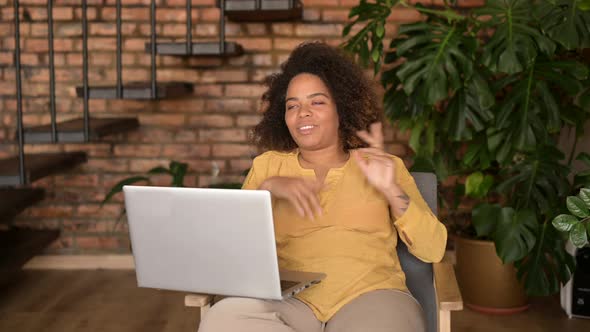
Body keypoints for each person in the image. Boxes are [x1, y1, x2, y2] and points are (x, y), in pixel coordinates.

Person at [198, 42, 447, 332]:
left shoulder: (384, 165)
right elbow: (232, 251)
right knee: (221, 320)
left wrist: (391, 190)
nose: (302, 112)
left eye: (316, 102)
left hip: (372, 296)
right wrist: (267, 189)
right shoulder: (268, 166)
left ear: (341, 109)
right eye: (292, 105)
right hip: (286, 300)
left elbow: (433, 249)